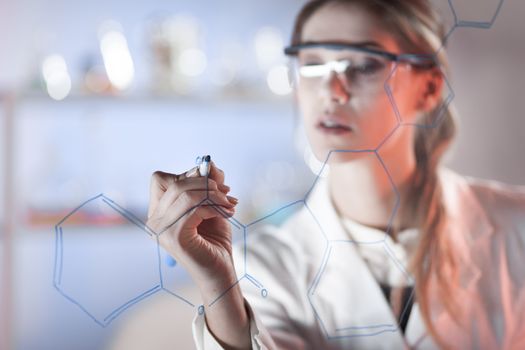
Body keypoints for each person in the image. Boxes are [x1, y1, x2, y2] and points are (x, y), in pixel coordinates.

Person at [145, 0, 525, 349]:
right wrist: (217, 287)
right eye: (312, 64)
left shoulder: (515, 226)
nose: (331, 90)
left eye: (362, 65)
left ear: (427, 88)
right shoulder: (261, 266)